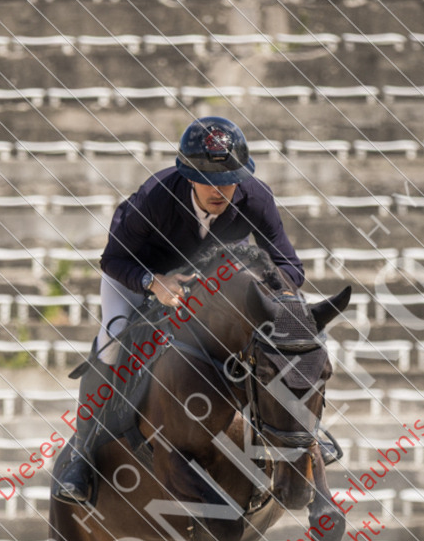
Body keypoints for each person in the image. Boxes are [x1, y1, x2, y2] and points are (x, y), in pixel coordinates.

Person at [52, 116, 305, 503]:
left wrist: (256, 292)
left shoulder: (256, 198)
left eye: (229, 178)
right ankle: (82, 456)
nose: (220, 189)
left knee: (272, 341)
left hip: (207, 290)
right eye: (209, 179)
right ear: (188, 176)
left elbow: (290, 268)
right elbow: (113, 261)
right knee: (114, 340)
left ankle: (302, 435)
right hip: (138, 275)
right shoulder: (156, 196)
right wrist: (154, 282)